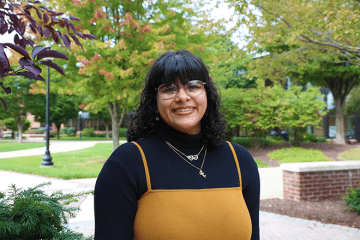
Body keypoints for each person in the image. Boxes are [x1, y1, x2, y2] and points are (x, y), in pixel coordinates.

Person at [94, 49, 260, 240]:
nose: (182, 96)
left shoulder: (239, 160)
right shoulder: (127, 164)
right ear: (154, 101)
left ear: (207, 94)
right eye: (169, 89)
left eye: (193, 86)